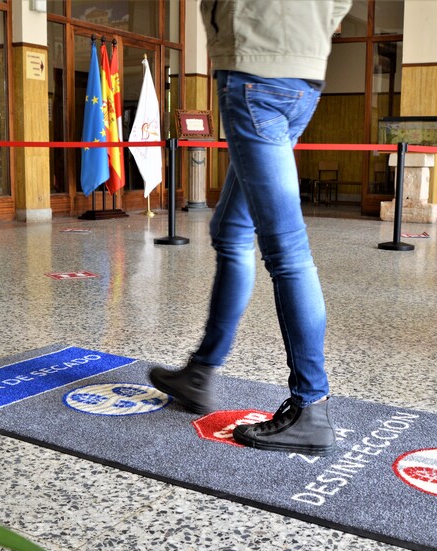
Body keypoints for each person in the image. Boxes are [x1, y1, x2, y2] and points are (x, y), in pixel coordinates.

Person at [149, 0, 352, 456]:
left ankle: (310, 406)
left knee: (286, 251)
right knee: (231, 231)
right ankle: (200, 372)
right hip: (304, 73)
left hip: (253, 70)